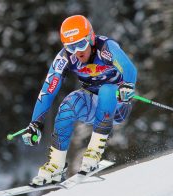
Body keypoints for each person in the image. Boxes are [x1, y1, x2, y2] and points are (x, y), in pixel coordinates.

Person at [22, 15, 137, 186]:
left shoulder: (105, 47)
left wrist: (127, 86)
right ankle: (56, 165)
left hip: (117, 103)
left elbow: (129, 68)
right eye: (70, 46)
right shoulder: (65, 58)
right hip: (92, 102)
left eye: (81, 44)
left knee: (106, 90)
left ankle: (94, 152)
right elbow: (47, 91)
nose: (78, 51)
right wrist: (35, 123)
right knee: (68, 105)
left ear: (90, 38)